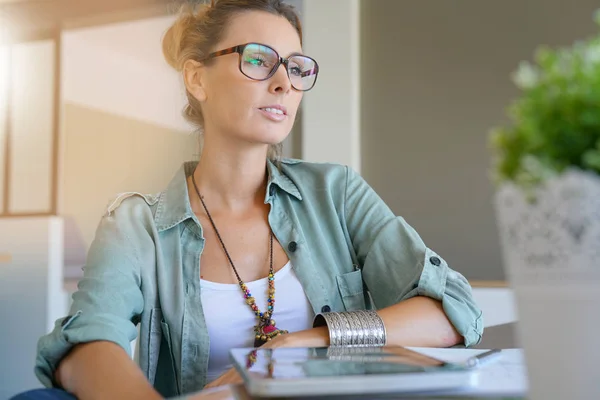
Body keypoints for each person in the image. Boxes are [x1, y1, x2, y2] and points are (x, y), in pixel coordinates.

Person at [13, 0, 483, 399]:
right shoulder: (137, 225)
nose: (283, 83)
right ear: (197, 79)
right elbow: (85, 342)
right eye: (258, 60)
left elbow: (453, 311)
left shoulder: (335, 193)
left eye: (296, 68)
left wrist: (310, 340)